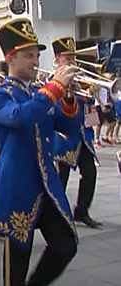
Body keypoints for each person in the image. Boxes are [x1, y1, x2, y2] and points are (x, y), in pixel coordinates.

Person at [0, 18, 79, 286]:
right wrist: (54, 90)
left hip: (47, 186)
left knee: (66, 245)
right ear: (10, 58)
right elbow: (20, 117)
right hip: (18, 185)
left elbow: (68, 126)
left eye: (36, 55)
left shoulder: (40, 92)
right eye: (28, 56)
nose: (35, 62)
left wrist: (69, 98)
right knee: (16, 264)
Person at [51, 37, 102, 229]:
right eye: (67, 58)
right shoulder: (51, 82)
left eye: (73, 57)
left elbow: (90, 108)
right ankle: (56, 214)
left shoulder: (81, 82)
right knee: (60, 178)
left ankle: (81, 212)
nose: (72, 62)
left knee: (90, 173)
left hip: (84, 137)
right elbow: (55, 110)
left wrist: (92, 96)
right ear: (57, 60)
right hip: (64, 137)